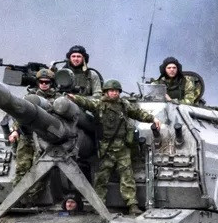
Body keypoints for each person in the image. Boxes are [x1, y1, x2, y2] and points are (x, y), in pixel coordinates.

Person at [66, 80, 160, 215]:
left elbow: (138, 113)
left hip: (122, 148)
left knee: (127, 178)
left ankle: (132, 205)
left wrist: (152, 119)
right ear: (106, 92)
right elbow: (87, 103)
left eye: (116, 91)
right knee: (101, 179)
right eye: (111, 91)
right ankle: (99, 206)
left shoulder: (124, 105)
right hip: (106, 148)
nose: (114, 93)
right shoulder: (100, 104)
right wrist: (74, 98)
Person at [8, 67, 60, 182]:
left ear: (52, 83)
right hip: (27, 136)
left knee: (39, 174)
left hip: (44, 139)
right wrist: (15, 130)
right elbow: (19, 114)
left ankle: (31, 197)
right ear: (37, 83)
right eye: (41, 82)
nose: (44, 84)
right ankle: (19, 198)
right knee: (21, 170)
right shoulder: (29, 98)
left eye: (47, 82)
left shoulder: (58, 99)